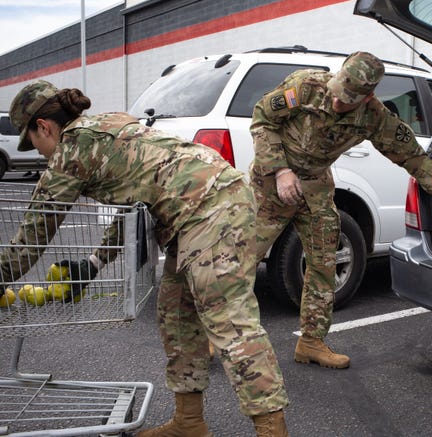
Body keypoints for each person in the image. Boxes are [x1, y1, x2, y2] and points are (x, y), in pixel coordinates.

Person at [0, 80, 290, 437]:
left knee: (229, 322)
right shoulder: (108, 124)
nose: (40, 153)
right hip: (201, 208)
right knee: (176, 316)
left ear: (44, 126)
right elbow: (131, 208)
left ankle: (272, 430)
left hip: (212, 209)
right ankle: (189, 422)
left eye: (36, 143)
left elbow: (32, 236)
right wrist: (94, 263)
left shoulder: (70, 151)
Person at [249, 52, 432, 369]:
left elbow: (412, 157)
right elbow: (262, 119)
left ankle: (311, 342)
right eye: (338, 94)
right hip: (272, 183)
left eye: (349, 100)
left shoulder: (375, 117)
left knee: (325, 261)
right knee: (243, 256)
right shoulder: (306, 86)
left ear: (369, 96)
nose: (339, 103)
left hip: (315, 184)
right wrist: (280, 171)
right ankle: (214, 335)